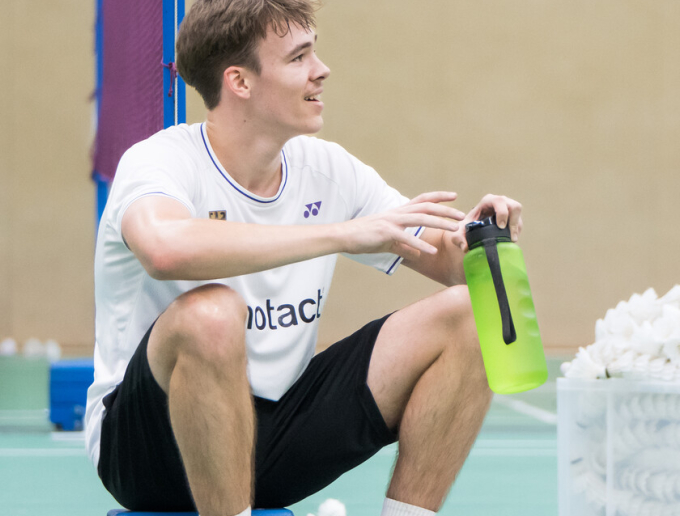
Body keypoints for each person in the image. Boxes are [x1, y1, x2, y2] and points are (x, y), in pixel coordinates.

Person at [84, 1, 524, 515]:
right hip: (148, 448)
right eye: (299, 58)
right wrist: (338, 235)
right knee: (212, 315)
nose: (322, 69)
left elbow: (444, 259)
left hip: (273, 432)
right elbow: (165, 249)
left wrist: (482, 238)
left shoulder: (328, 170)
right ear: (240, 82)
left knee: (468, 313)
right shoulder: (160, 162)